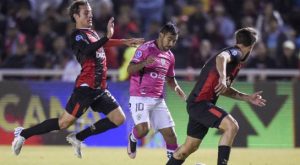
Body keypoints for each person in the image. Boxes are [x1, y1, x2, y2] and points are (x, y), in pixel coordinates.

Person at [12, 0, 144, 158]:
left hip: (100, 88)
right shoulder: (76, 36)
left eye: (90, 12)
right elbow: (88, 50)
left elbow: (103, 44)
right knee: (63, 123)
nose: (90, 15)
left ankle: (78, 137)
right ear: (76, 16)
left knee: (118, 118)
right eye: (86, 13)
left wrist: (124, 42)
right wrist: (107, 36)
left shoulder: (92, 33)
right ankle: (23, 134)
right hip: (86, 88)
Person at [167, 27, 267, 165]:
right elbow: (222, 57)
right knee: (232, 126)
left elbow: (223, 89)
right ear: (251, 47)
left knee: (188, 148)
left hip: (198, 104)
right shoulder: (236, 52)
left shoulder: (234, 61)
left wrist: (247, 97)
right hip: (200, 104)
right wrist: (223, 76)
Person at [126, 23, 187, 159]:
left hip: (158, 100)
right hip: (139, 96)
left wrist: (181, 94)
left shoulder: (170, 56)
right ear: (161, 35)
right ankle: (133, 137)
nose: (171, 43)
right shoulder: (145, 49)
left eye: (174, 41)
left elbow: (171, 80)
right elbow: (129, 70)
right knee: (143, 130)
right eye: (169, 39)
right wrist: (144, 63)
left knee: (171, 135)